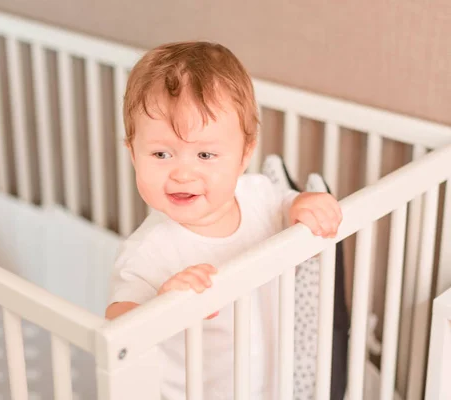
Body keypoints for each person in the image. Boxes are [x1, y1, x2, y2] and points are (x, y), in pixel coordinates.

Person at [104, 41, 342, 400]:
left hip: (268, 382)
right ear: (134, 155)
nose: (183, 173)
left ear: (245, 153)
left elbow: (287, 206)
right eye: (161, 153)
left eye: (205, 154)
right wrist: (162, 306)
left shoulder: (260, 196)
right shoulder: (149, 251)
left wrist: (303, 204)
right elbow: (119, 323)